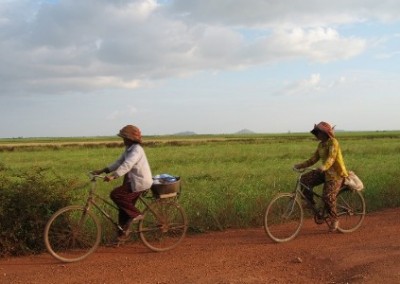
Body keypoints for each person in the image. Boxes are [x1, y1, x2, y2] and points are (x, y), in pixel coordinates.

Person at [92, 124, 153, 242]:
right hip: (132, 181)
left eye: (124, 138)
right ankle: (121, 236)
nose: (123, 140)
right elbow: (119, 162)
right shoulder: (128, 149)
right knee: (123, 209)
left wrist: (113, 176)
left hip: (140, 182)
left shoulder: (137, 150)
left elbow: (127, 165)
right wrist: (104, 170)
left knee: (116, 194)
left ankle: (137, 214)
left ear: (130, 139)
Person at [294, 121, 348, 232]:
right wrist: (300, 166)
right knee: (304, 180)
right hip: (325, 172)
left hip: (336, 174)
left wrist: (324, 167)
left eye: (318, 132)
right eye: (316, 132)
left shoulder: (333, 142)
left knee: (327, 196)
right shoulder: (321, 145)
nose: (317, 135)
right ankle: (311, 205)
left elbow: (332, 158)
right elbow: (313, 159)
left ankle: (334, 219)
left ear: (324, 133)